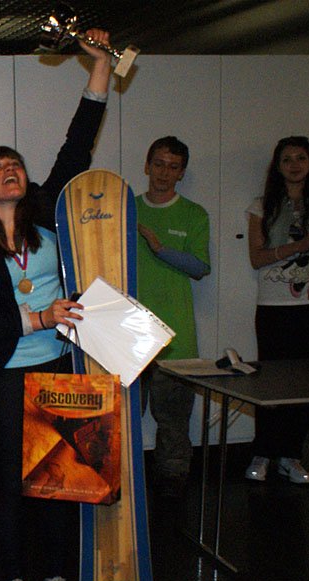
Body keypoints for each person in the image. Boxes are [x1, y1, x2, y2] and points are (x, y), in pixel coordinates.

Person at [0, 30, 114, 581]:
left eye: (14, 164)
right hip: (5, 376)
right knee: (13, 479)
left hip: (58, 365)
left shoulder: (46, 212)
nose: (9, 170)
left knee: (59, 476)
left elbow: (77, 146)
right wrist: (38, 316)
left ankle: (56, 575)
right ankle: (15, 578)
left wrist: (100, 70)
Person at [244, 136, 309, 484]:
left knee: (305, 384)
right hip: (274, 306)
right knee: (271, 382)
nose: (295, 165)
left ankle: (291, 455)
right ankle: (263, 452)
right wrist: (298, 246)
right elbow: (257, 258)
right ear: (278, 166)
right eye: (287, 159)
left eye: (301, 158)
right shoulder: (262, 206)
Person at [135, 137, 211, 499]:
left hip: (175, 338)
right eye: (159, 164)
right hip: (129, 335)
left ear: (181, 173)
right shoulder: (127, 209)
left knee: (173, 421)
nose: (164, 173)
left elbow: (200, 268)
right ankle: (124, 481)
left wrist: (160, 248)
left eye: (173, 166)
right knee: (123, 419)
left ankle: (174, 489)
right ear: (147, 165)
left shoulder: (194, 214)